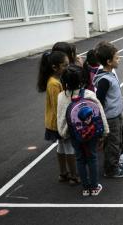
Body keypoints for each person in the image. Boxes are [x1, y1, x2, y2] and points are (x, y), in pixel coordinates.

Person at [57, 65, 109, 196]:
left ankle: (85, 188)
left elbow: (61, 115)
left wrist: (63, 132)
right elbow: (100, 112)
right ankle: (95, 186)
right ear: (82, 79)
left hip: (75, 134)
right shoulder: (89, 94)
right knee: (92, 157)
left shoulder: (61, 96)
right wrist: (104, 131)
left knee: (79, 158)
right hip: (91, 132)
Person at [37, 50, 80, 184]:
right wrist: (67, 123)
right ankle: (73, 175)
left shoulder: (54, 80)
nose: (68, 68)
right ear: (55, 67)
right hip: (59, 122)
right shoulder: (54, 84)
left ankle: (63, 173)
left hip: (55, 122)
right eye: (65, 65)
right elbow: (59, 107)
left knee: (61, 147)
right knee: (69, 148)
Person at [94, 41, 123, 178]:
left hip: (117, 114)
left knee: (119, 138)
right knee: (112, 143)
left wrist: (122, 103)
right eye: (117, 58)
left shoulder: (110, 74)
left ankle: (115, 163)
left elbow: (114, 93)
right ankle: (111, 170)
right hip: (110, 117)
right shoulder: (104, 79)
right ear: (109, 61)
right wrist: (101, 119)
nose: (119, 59)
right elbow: (99, 100)